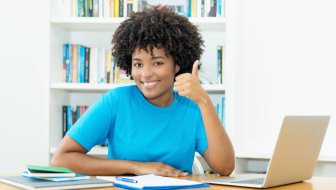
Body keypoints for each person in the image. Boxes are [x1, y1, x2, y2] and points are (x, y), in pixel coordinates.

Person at [51, 6, 235, 177]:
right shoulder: (115, 102)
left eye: (158, 63)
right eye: (138, 64)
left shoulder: (192, 107)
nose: (146, 74)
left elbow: (225, 167)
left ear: (177, 64)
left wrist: (204, 101)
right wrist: (136, 167)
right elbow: (61, 159)